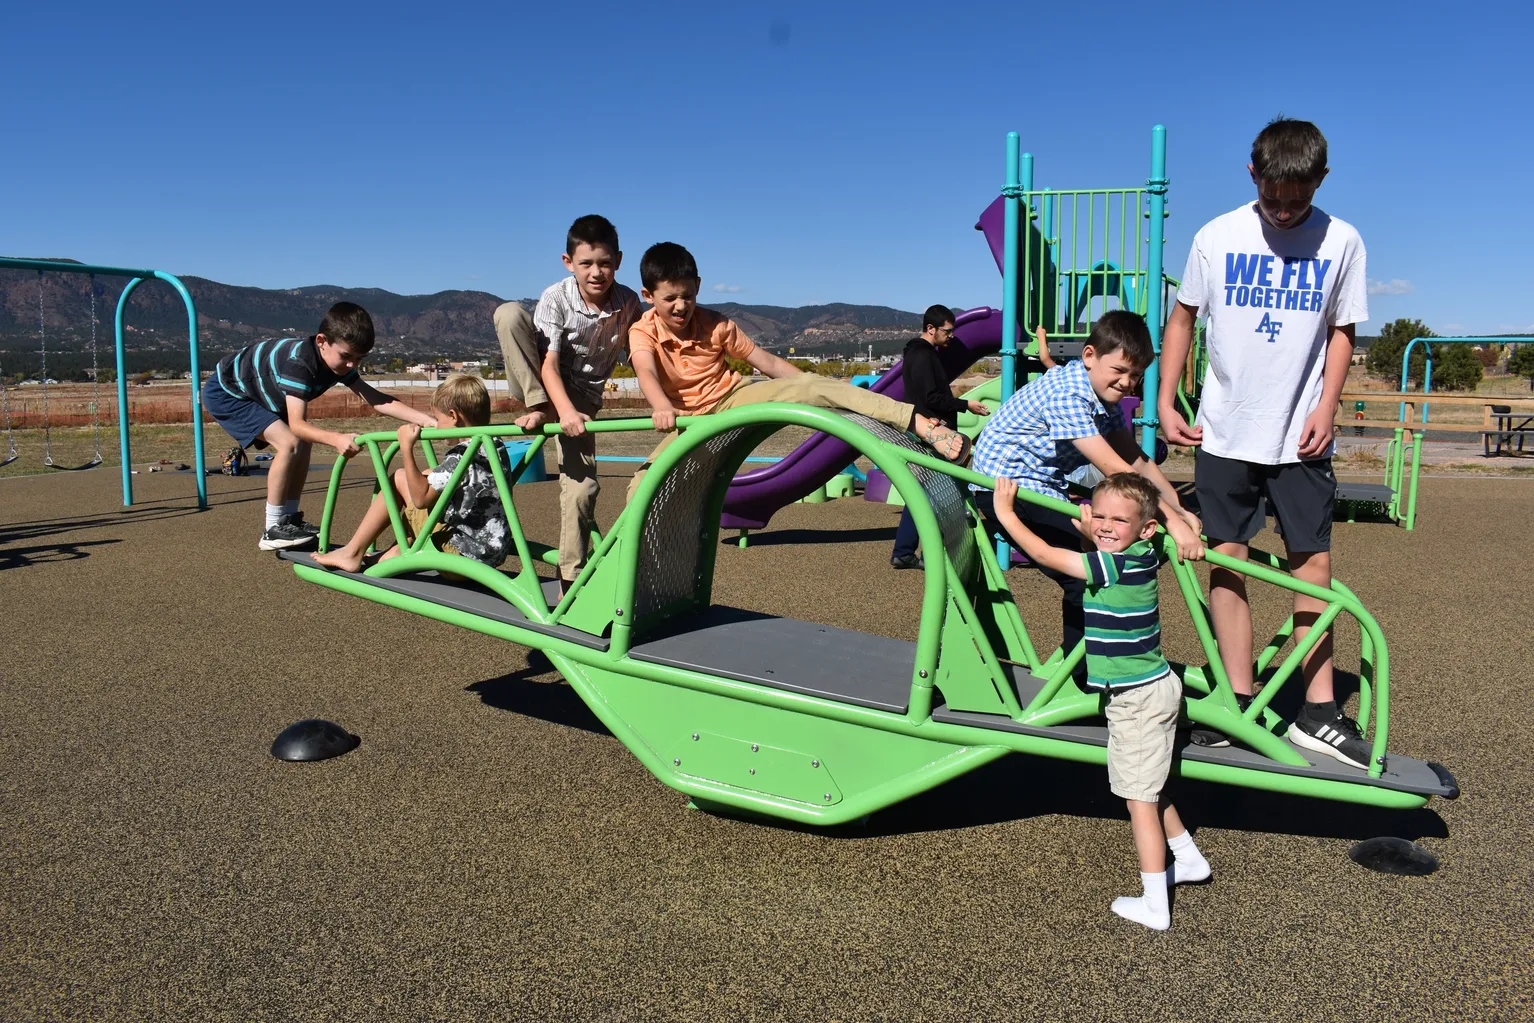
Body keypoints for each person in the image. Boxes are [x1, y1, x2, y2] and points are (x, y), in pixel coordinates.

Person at [1155, 117, 1370, 768]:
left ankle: (1319, 709)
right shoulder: (1216, 236)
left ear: (1320, 181)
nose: (1283, 211)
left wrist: (1328, 406)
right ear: (1254, 175)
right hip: (1225, 428)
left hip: (1301, 432)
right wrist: (1166, 398)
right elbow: (1184, 316)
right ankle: (1237, 698)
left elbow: (1342, 330)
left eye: (1297, 200)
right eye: (1273, 197)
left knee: (1313, 563)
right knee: (1228, 557)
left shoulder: (1343, 241)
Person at [991, 472, 1211, 931]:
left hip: (1137, 700)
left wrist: (1007, 515)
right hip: (1152, 690)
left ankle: (1156, 906)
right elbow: (1113, 534)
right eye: (1101, 517)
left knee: (1137, 801)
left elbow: (1045, 554)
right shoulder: (1141, 554)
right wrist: (1098, 529)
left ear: (1146, 529)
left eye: (1119, 521)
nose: (1106, 526)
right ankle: (1188, 860)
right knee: (1151, 787)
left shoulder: (1110, 566)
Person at [626, 243, 970, 502]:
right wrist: (661, 407)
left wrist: (808, 385)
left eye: (687, 295)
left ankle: (916, 423)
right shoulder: (643, 331)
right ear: (648, 295)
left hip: (732, 400)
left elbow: (770, 364)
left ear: (698, 286)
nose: (681, 306)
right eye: (670, 298)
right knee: (641, 487)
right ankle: (632, 579)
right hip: (687, 421)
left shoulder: (716, 324)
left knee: (812, 385)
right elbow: (646, 370)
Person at [970, 310, 1203, 668]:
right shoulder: (1068, 393)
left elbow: (1137, 460)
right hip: (1007, 485)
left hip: (1042, 483)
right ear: (1090, 356)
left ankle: (1092, 665)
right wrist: (1171, 522)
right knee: (1087, 574)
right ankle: (1084, 675)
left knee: (1099, 565)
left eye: (1136, 375)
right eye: (1120, 371)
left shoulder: (1099, 394)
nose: (1127, 383)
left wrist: (1178, 506)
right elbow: (1115, 469)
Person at [202, 301, 438, 551]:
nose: (352, 366)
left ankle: (288, 520)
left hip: (258, 391)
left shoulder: (337, 362)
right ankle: (272, 528)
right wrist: (336, 438)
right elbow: (297, 424)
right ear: (322, 341)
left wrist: (424, 419)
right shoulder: (300, 365)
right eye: (347, 356)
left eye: (359, 359)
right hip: (228, 392)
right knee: (291, 442)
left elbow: (375, 399)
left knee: (302, 442)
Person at [491, 215, 642, 590]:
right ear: (568, 262)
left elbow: (641, 355)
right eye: (586, 263)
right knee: (509, 313)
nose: (596, 272)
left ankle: (570, 579)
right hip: (539, 380)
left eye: (604, 263)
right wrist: (552, 407)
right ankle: (538, 406)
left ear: (618, 261)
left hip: (584, 399)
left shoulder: (628, 303)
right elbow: (550, 364)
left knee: (581, 488)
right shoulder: (556, 297)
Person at [313, 375, 512, 573]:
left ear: (453, 416)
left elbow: (420, 500)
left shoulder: (460, 456)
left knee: (399, 477)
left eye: (438, 419)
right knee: (427, 474)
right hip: (491, 551)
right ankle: (399, 549)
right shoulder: (494, 445)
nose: (437, 425)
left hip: (458, 558)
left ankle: (353, 552)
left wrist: (406, 447)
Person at [889, 304, 990, 569]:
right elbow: (930, 397)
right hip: (933, 432)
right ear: (931, 329)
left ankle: (905, 550)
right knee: (939, 492)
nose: (951, 336)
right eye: (948, 330)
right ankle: (930, 554)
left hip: (926, 429)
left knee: (922, 492)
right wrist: (964, 405)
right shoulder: (923, 356)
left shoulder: (918, 353)